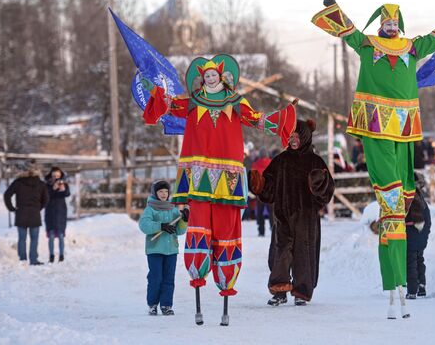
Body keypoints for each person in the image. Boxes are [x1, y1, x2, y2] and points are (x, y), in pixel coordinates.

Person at [312, 0, 435, 318]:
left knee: (400, 201)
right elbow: (349, 32)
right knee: (389, 199)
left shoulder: (412, 47)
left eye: (392, 21)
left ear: (399, 24)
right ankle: (394, 278)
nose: (389, 25)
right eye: (384, 21)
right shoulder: (368, 44)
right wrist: (334, 6)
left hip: (403, 127)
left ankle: (400, 278)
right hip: (375, 126)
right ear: (381, 24)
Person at [141, 54, 296, 325]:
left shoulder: (235, 102)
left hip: (228, 179)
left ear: (223, 77)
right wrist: (155, 90)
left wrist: (279, 119)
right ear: (201, 79)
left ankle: (226, 282)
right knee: (199, 229)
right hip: (198, 175)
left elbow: (256, 119)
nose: (210, 78)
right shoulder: (192, 102)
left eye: (214, 75)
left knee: (226, 231)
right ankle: (198, 276)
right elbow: (168, 105)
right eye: (206, 75)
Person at [250, 120, 335, 306]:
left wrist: (318, 184)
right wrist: (260, 185)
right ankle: (279, 289)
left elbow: (327, 190)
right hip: (283, 216)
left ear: (305, 137)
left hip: (306, 218)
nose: (293, 140)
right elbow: (269, 188)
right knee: (281, 253)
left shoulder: (315, 161)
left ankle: (301, 292)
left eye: (297, 136)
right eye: (291, 136)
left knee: (304, 254)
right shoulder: (281, 160)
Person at [139, 180, 188, 316]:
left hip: (171, 249)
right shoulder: (150, 209)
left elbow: (179, 231)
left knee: (168, 278)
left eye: (166, 191)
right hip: (155, 249)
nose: (164, 194)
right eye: (160, 191)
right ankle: (153, 304)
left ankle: (166, 305)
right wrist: (160, 226)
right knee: (156, 277)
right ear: (155, 193)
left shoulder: (172, 209)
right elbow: (144, 225)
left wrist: (184, 220)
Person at [3, 160, 49, 265]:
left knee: (22, 239)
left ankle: (23, 260)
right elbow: (46, 199)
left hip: (21, 213)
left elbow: (7, 195)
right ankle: (33, 260)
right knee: (34, 239)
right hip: (35, 214)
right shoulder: (41, 184)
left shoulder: (18, 182)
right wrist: (38, 208)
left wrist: (12, 209)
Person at [405, 175, 431, 299]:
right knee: (419, 260)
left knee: (410, 263)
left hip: (411, 235)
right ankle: (421, 286)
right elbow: (428, 219)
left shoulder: (409, 200)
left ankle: (412, 290)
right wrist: (425, 235)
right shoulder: (422, 199)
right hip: (421, 236)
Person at [44, 166, 70, 263]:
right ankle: (51, 256)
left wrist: (63, 189)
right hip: (50, 212)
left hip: (61, 212)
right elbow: (46, 195)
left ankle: (61, 255)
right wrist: (53, 189)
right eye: (54, 174)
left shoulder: (64, 183)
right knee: (51, 236)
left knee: (61, 236)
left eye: (58, 174)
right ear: (51, 175)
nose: (56, 176)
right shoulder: (47, 185)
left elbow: (67, 194)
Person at [251, 148, 272, 237]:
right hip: (270, 191)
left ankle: (261, 230)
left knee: (260, 211)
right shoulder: (272, 162)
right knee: (272, 212)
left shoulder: (255, 164)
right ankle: (273, 227)